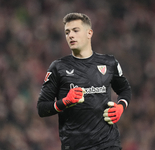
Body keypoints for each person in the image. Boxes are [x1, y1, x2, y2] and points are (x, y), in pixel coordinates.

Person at [37, 12, 131, 150]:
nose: (71, 35)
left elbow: (124, 89)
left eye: (76, 30)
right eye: (67, 32)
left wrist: (121, 107)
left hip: (109, 144)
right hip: (76, 146)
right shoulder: (58, 67)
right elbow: (42, 108)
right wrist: (64, 102)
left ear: (89, 33)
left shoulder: (109, 63)